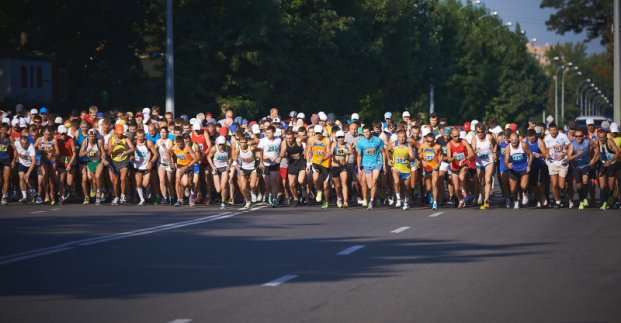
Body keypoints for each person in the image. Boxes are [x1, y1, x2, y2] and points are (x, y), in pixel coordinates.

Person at [356, 124, 387, 210]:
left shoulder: (378, 140)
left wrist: (384, 165)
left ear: (370, 131)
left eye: (368, 132)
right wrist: (359, 168)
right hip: (366, 164)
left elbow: (383, 152)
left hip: (377, 163)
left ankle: (371, 201)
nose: (366, 133)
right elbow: (359, 155)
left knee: (374, 181)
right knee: (370, 185)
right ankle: (377, 195)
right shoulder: (361, 142)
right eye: (364, 132)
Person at [541, 123, 571, 209]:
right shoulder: (547, 138)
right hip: (552, 162)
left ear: (557, 129)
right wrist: (546, 154)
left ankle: (564, 194)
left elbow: (570, 147)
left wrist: (564, 154)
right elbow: (546, 149)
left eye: (554, 130)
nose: (553, 132)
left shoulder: (563, 136)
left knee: (561, 185)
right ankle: (557, 201)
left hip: (562, 162)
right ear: (549, 131)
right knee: (554, 184)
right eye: (551, 130)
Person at [567, 129, 597, 210]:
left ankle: (585, 199)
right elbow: (568, 158)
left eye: (580, 136)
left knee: (585, 180)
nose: (578, 138)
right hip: (576, 166)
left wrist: (594, 159)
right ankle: (581, 200)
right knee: (579, 185)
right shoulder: (572, 144)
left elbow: (597, 148)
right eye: (576, 136)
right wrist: (577, 154)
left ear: (583, 136)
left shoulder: (588, 142)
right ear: (575, 137)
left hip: (586, 165)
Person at [446, 128, 474, 209]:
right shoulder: (449, 145)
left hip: (464, 165)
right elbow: (448, 159)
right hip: (455, 167)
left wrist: (465, 159)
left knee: (462, 177)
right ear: (451, 136)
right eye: (455, 136)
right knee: (456, 188)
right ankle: (461, 200)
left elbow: (472, 153)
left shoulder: (463, 141)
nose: (457, 138)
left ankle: (464, 190)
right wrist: (453, 157)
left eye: (458, 136)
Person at [388, 129, 416, 210]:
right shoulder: (395, 144)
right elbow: (387, 150)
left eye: (403, 137)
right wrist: (389, 159)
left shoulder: (408, 145)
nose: (401, 139)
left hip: (406, 169)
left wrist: (407, 158)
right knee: (396, 181)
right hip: (396, 167)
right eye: (400, 137)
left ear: (406, 138)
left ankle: (406, 202)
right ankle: (398, 199)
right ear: (398, 137)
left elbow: (413, 158)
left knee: (406, 187)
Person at [108, 124, 135, 205]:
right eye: (118, 133)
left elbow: (133, 148)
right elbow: (109, 153)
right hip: (114, 161)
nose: (120, 134)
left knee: (123, 178)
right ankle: (116, 197)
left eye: (121, 133)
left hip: (124, 160)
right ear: (116, 132)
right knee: (115, 182)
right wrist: (114, 145)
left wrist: (125, 152)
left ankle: (123, 196)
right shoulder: (111, 139)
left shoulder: (125, 138)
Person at [279, 129, 307, 207]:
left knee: (300, 181)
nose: (289, 140)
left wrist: (307, 150)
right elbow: (282, 152)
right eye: (287, 138)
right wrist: (281, 155)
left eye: (290, 138)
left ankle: (303, 187)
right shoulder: (284, 143)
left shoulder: (298, 140)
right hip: (292, 164)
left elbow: (309, 140)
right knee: (291, 184)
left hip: (301, 163)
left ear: (293, 137)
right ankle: (295, 199)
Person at [471, 123, 496, 209]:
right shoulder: (474, 139)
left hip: (489, 161)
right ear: (476, 131)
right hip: (479, 163)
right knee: (481, 182)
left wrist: (495, 153)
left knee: (488, 179)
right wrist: (475, 151)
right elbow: (472, 151)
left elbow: (495, 144)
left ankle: (486, 200)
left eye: (481, 132)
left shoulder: (489, 137)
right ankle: (482, 197)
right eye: (478, 132)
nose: (480, 134)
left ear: (484, 131)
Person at [505, 132, 533, 209]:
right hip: (513, 169)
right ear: (510, 140)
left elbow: (530, 154)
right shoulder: (508, 148)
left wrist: (529, 165)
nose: (514, 142)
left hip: (524, 168)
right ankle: (516, 202)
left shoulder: (523, 145)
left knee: (523, 186)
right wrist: (508, 164)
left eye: (515, 140)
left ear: (518, 139)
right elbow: (506, 161)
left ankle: (525, 193)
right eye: (512, 140)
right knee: (513, 189)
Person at [594, 128, 620, 210]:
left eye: (604, 137)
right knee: (602, 186)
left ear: (606, 136)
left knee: (611, 186)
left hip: (612, 164)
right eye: (600, 138)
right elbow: (594, 153)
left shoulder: (610, 141)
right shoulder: (596, 142)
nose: (602, 139)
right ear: (598, 137)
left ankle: (611, 197)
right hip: (602, 164)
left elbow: (617, 153)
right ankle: (604, 202)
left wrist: (610, 161)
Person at [307, 125, 332, 208]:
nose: (318, 135)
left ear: (322, 133)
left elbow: (329, 153)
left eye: (319, 133)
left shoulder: (327, 140)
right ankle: (319, 190)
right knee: (315, 178)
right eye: (316, 133)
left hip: (325, 164)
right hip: (316, 162)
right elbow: (308, 151)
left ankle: (326, 201)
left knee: (326, 185)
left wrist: (324, 158)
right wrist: (308, 162)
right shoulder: (311, 139)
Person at [170, 136, 199, 207]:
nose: (180, 146)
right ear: (176, 143)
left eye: (181, 144)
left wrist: (187, 166)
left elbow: (196, 159)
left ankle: (192, 192)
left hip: (189, 166)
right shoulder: (174, 148)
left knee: (189, 183)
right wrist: (173, 162)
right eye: (178, 144)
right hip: (180, 166)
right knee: (177, 181)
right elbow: (169, 153)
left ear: (183, 142)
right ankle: (179, 199)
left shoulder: (187, 148)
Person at [257, 126, 282, 207]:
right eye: (266, 133)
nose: (267, 134)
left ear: (274, 133)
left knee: (274, 181)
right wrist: (262, 162)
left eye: (269, 133)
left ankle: (274, 199)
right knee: (267, 183)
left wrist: (279, 157)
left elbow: (282, 151)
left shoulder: (278, 140)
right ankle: (270, 193)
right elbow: (259, 153)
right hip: (265, 164)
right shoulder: (263, 141)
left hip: (275, 164)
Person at [133, 129, 159, 205]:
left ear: (144, 136)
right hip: (137, 166)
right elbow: (130, 152)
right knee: (138, 183)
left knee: (145, 184)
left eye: (141, 137)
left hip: (146, 166)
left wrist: (151, 162)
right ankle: (142, 199)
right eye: (138, 137)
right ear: (136, 136)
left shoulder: (149, 143)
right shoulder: (134, 143)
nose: (140, 138)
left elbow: (156, 154)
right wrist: (131, 158)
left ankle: (147, 191)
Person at [79, 129, 106, 205]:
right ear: (88, 136)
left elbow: (103, 152)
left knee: (98, 176)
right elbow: (80, 154)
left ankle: (98, 195)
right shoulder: (86, 141)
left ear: (96, 136)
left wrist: (103, 159)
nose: (92, 138)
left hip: (99, 162)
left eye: (93, 136)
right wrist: (87, 152)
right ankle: (98, 190)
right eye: (90, 136)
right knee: (93, 181)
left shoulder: (99, 141)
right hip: (90, 163)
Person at [233, 134, 258, 209]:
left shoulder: (252, 148)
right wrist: (239, 170)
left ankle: (253, 191)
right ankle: (247, 201)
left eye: (244, 142)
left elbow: (260, 150)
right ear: (239, 143)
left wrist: (262, 161)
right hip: (243, 169)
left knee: (252, 185)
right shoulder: (238, 150)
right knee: (243, 188)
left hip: (253, 169)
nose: (243, 144)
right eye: (241, 142)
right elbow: (234, 162)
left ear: (247, 142)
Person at [420, 129, 442, 210]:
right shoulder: (422, 146)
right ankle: (432, 195)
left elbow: (441, 156)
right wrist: (422, 161)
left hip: (434, 167)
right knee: (429, 188)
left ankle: (435, 202)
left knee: (434, 184)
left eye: (431, 141)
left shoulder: (438, 147)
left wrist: (438, 164)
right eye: (428, 141)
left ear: (434, 140)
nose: (430, 143)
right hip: (426, 168)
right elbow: (418, 155)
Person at [208, 136, 232, 209]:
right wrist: (213, 167)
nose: (221, 146)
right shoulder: (214, 148)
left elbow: (230, 157)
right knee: (218, 189)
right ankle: (223, 196)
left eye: (222, 144)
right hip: (216, 168)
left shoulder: (228, 148)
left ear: (225, 143)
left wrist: (228, 164)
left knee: (223, 185)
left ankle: (223, 202)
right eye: (220, 144)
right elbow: (208, 157)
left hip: (224, 167)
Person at [330, 130, 352, 208]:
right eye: (339, 137)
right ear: (336, 138)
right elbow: (331, 153)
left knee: (344, 182)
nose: (340, 139)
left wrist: (344, 154)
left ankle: (345, 201)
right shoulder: (334, 144)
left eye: (342, 137)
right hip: (335, 166)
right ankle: (339, 197)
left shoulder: (347, 145)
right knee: (337, 185)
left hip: (343, 167)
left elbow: (351, 151)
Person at [56, 125, 77, 205]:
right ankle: (62, 197)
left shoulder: (71, 140)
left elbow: (74, 153)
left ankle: (72, 191)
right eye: (61, 134)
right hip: (61, 160)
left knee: (69, 182)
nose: (63, 136)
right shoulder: (56, 140)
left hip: (70, 159)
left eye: (64, 134)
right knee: (60, 181)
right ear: (58, 133)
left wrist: (69, 164)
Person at [156, 127, 175, 205]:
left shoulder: (170, 141)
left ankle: (172, 196)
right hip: (161, 162)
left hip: (168, 161)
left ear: (167, 133)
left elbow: (170, 153)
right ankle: (164, 197)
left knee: (169, 182)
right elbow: (154, 151)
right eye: (161, 132)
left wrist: (164, 146)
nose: (162, 134)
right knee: (162, 180)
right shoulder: (158, 141)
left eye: (164, 132)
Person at [14, 136, 36, 203]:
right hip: (22, 163)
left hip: (30, 165)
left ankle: (32, 193)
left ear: (28, 142)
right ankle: (24, 196)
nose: (24, 145)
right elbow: (14, 148)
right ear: (20, 143)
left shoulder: (31, 147)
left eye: (25, 143)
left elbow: (34, 161)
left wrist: (28, 173)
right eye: (22, 144)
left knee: (29, 181)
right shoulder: (17, 143)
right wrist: (17, 156)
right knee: (21, 177)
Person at [0, 124, 15, 205]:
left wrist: (13, 160)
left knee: (6, 179)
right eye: (1, 130)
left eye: (5, 130)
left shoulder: (10, 138)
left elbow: (15, 150)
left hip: (7, 160)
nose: (3, 131)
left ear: (7, 130)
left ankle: (4, 197)